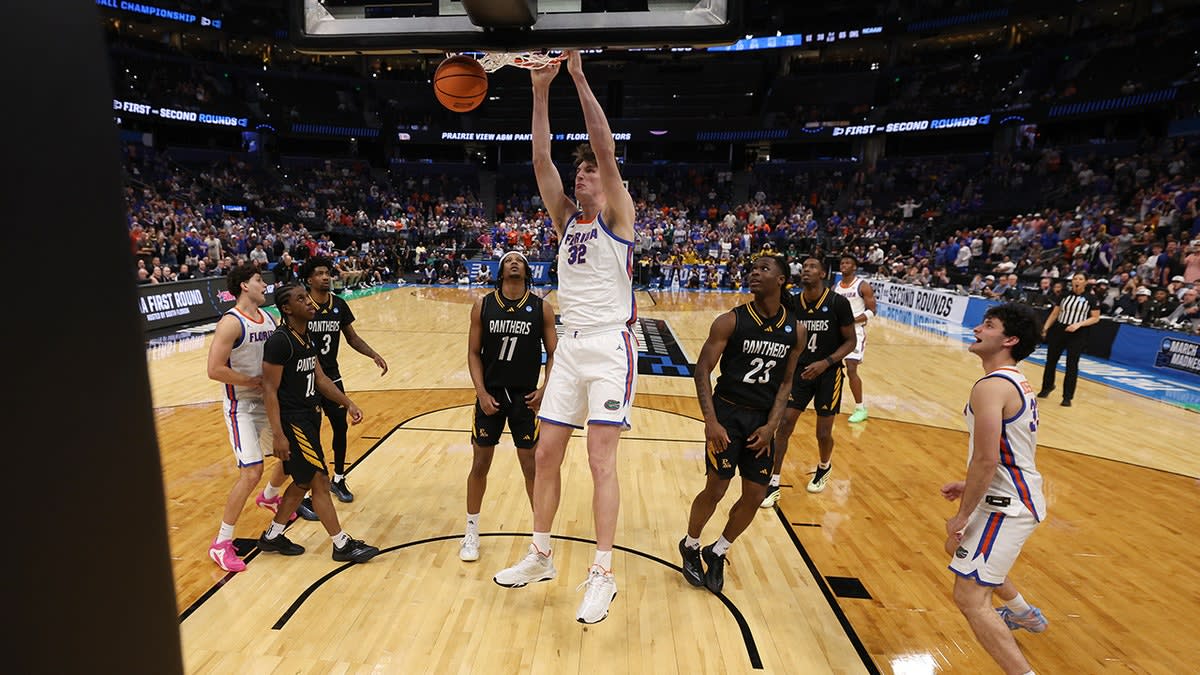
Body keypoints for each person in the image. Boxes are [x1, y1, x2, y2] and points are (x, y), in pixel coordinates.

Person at [493, 50, 639, 625]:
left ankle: (603, 573)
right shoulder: (565, 220)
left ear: (607, 180)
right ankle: (541, 553)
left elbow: (603, 144)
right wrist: (539, 89)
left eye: (590, 171)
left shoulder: (618, 216)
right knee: (545, 452)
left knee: (600, 460)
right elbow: (539, 158)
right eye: (578, 172)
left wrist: (577, 76)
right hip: (571, 348)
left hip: (608, 347)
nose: (581, 176)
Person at [681, 255, 802, 592]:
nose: (755, 273)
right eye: (753, 269)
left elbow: (786, 383)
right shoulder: (730, 321)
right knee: (717, 488)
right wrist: (711, 421)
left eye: (764, 269)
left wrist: (771, 427)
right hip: (727, 415)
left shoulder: (796, 329)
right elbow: (702, 370)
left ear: (781, 279)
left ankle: (718, 550)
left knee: (755, 495)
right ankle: (690, 544)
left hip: (761, 421)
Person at [942, 303, 1048, 675]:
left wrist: (963, 514)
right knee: (959, 553)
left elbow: (987, 459)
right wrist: (969, 485)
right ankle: (1023, 613)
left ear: (1010, 340)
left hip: (1008, 505)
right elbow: (1008, 451)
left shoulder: (991, 387)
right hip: (1011, 493)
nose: (977, 329)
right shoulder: (1015, 380)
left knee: (970, 597)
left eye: (988, 325)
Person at [257, 283, 381, 563]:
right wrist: (278, 435)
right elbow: (269, 390)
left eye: (307, 297)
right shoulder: (280, 342)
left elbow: (321, 379)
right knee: (320, 481)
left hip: (310, 416)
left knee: (301, 482)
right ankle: (341, 544)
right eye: (301, 299)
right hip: (293, 421)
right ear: (287, 308)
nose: (310, 303)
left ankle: (272, 536)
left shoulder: (306, 336)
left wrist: (348, 403)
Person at [460, 251, 558, 562]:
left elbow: (554, 353)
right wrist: (480, 392)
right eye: (508, 259)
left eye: (519, 260)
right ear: (500, 270)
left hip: (525, 399)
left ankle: (540, 541)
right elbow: (473, 353)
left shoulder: (541, 308)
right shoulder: (483, 305)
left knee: (532, 468)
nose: (514, 262)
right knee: (480, 464)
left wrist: (545, 389)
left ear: (527, 271)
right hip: (490, 396)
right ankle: (471, 532)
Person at [204, 263, 290, 573]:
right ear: (244, 285)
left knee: (291, 454)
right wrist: (254, 382)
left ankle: (269, 497)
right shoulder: (231, 322)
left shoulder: (268, 317)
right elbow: (214, 369)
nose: (264, 285)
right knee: (252, 472)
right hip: (241, 406)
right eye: (258, 280)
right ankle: (221, 543)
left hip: (268, 401)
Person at [289, 256, 389, 520]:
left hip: (331, 376)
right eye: (319, 273)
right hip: (306, 379)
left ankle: (339, 478)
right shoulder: (302, 307)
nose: (325, 277)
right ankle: (307, 491)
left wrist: (373, 354)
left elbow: (352, 338)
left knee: (341, 427)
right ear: (309, 279)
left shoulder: (339, 305)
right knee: (310, 436)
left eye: (327, 273)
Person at [761, 257, 856, 506]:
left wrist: (825, 362)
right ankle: (773, 482)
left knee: (823, 433)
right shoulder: (793, 302)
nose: (806, 270)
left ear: (823, 273)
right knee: (784, 424)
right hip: (800, 372)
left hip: (829, 372)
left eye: (812, 267)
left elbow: (851, 342)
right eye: (804, 267)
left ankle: (824, 466)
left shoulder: (837, 303)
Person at [1038, 272, 1100, 407]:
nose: (1077, 281)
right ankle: (1047, 387)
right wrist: (1045, 328)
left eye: (1080, 279)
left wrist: (1079, 324)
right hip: (1059, 330)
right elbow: (1055, 313)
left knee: (1071, 364)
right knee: (1051, 361)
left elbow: (1095, 318)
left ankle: (1067, 396)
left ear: (1085, 282)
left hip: (1078, 333)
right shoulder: (1064, 295)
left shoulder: (1091, 298)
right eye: (1075, 278)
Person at [833, 253, 877, 425]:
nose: (843, 265)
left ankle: (860, 408)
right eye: (842, 263)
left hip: (855, 331)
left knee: (851, 368)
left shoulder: (862, 285)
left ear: (854, 267)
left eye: (847, 263)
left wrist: (851, 321)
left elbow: (872, 311)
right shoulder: (836, 286)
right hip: (837, 332)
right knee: (831, 366)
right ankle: (829, 400)